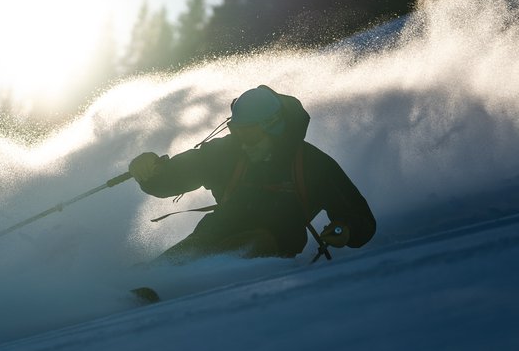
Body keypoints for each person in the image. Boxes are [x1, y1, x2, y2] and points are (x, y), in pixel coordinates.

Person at [128, 85, 375, 262]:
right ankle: (147, 284)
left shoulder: (312, 165)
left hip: (273, 248)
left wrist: (346, 230)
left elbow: (359, 216)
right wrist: (149, 172)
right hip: (212, 235)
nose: (244, 143)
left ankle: (183, 281)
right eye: (237, 132)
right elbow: (177, 175)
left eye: (251, 134)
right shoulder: (227, 152)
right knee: (191, 250)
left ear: (273, 127)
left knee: (249, 242)